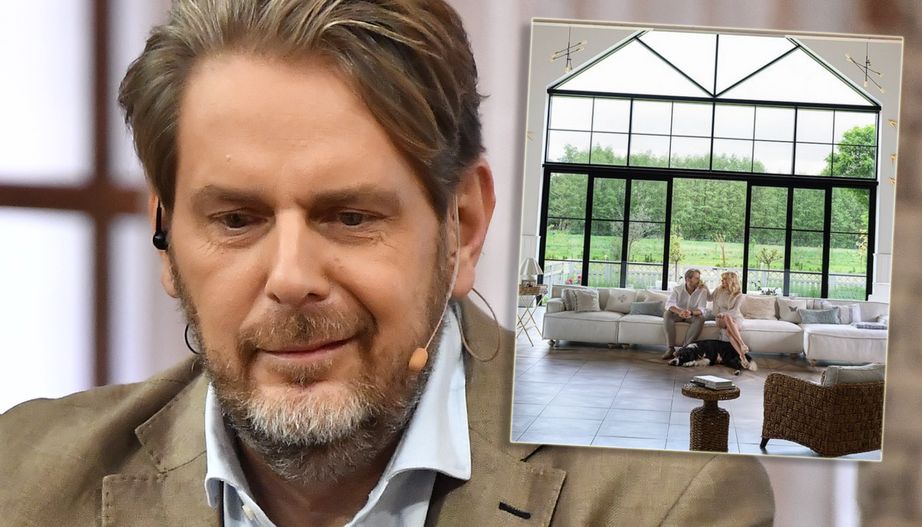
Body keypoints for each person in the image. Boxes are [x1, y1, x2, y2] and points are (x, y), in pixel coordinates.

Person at [0, 1, 774, 525]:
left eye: (350, 216)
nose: (291, 277)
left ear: (463, 226)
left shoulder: (673, 498)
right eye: (237, 219)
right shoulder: (21, 477)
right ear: (167, 238)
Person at [662, 268, 709, 360]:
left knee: (701, 318)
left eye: (699, 278)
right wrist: (680, 312)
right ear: (688, 279)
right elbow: (669, 304)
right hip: (678, 314)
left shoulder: (702, 291)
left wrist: (691, 312)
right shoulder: (677, 289)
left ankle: (685, 348)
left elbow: (702, 309)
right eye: (696, 278)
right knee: (667, 314)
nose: (699, 280)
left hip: (692, 315)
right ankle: (670, 348)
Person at [711, 271, 752, 369]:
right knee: (727, 317)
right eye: (722, 279)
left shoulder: (739, 295)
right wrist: (703, 287)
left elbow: (735, 310)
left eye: (725, 279)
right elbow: (709, 297)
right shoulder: (718, 290)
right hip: (721, 318)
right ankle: (742, 344)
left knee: (730, 332)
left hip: (736, 317)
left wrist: (725, 314)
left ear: (731, 281)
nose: (722, 281)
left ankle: (742, 357)